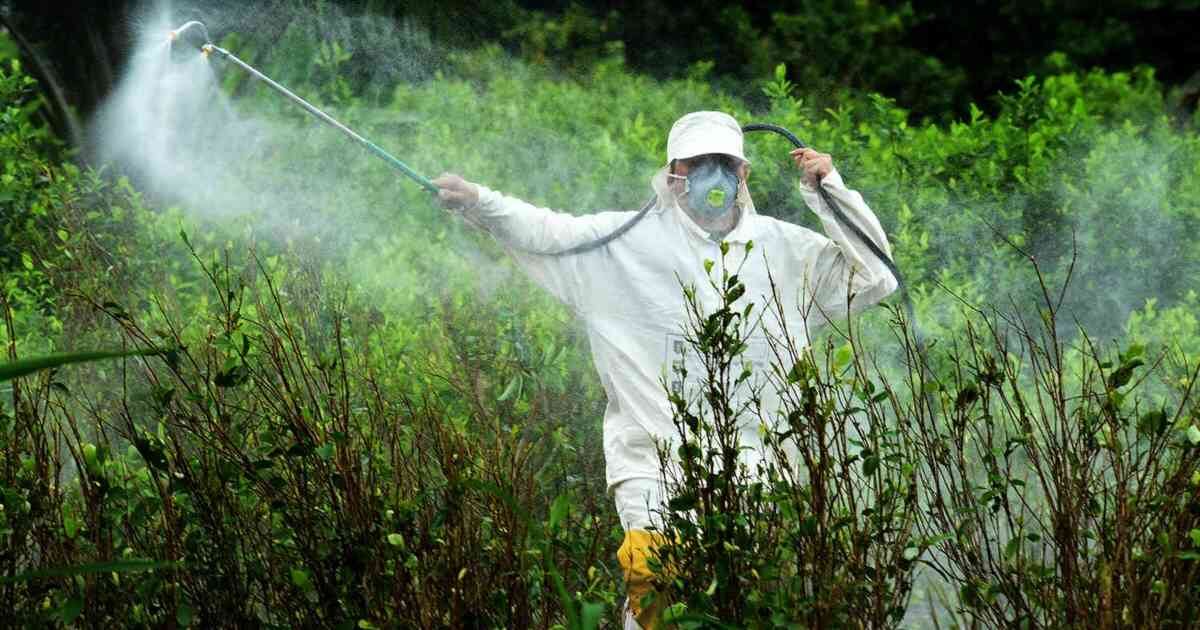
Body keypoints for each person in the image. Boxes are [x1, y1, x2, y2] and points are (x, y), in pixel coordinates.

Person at [434, 111, 897, 629]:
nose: (711, 176)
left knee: (741, 608)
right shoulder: (621, 242)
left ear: (743, 174)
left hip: (764, 473)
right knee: (654, 584)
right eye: (697, 163)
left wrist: (828, 190)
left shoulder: (788, 249)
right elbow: (545, 232)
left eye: (723, 163)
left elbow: (877, 276)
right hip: (651, 466)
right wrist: (480, 202)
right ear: (673, 174)